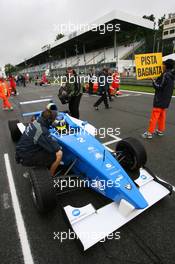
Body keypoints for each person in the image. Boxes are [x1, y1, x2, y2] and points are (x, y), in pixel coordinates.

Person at [15, 104, 63, 176]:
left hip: (21, 152)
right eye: (54, 119)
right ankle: (50, 176)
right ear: (49, 120)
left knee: (47, 148)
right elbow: (56, 148)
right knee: (59, 154)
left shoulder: (35, 122)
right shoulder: (42, 131)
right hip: (26, 157)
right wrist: (59, 146)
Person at [142, 59, 175, 139]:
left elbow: (159, 87)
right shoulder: (171, 75)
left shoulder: (165, 75)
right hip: (166, 99)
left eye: (163, 64)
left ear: (166, 66)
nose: (162, 66)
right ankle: (160, 130)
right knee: (162, 115)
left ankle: (149, 133)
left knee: (154, 116)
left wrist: (153, 81)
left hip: (159, 99)